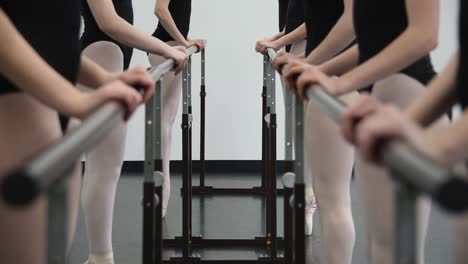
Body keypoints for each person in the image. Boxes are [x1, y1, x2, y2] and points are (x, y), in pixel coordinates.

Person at [286, 0, 447, 263]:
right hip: (377, 92)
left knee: (395, 248)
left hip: (406, 90)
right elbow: (373, 43)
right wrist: (321, 71)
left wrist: (339, 80)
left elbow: (425, 35)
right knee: (379, 244)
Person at [0, 1, 154, 263]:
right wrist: (74, 100)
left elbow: (46, 34)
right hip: (17, 106)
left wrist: (104, 79)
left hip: (50, 112)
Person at [79, 0, 189, 263]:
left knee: (109, 167)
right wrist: (167, 49)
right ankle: (100, 256)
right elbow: (109, 22)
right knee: (102, 167)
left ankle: (101, 256)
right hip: (101, 53)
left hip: (109, 56)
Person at [148, 0, 205, 218]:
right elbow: (160, 10)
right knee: (164, 120)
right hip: (167, 47)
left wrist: (184, 42)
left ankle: (162, 190)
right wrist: (184, 42)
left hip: (172, 46)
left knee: (166, 120)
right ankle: (161, 190)